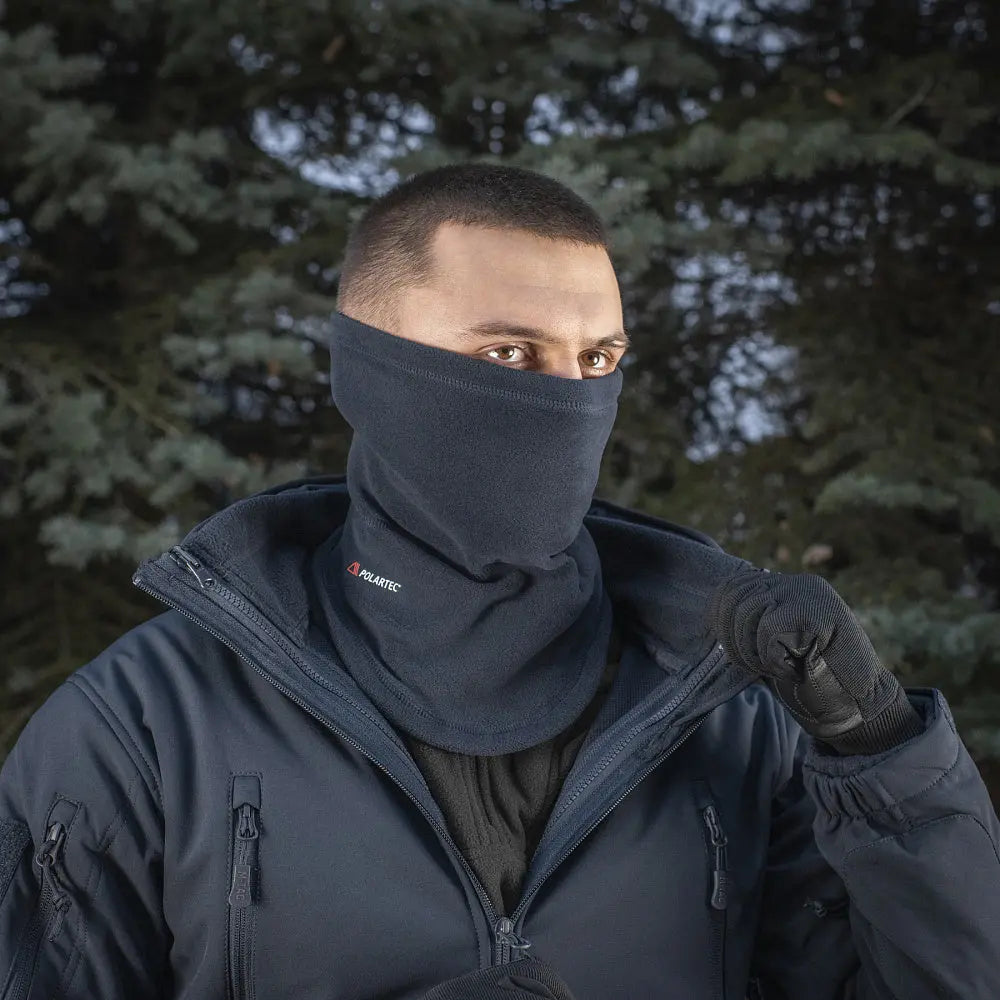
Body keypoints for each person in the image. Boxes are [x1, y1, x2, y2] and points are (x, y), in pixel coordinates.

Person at [1, 162, 998, 1000]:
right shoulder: (144, 727)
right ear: (367, 367)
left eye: (596, 359)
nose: (568, 402)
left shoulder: (730, 713)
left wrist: (883, 758)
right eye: (512, 353)